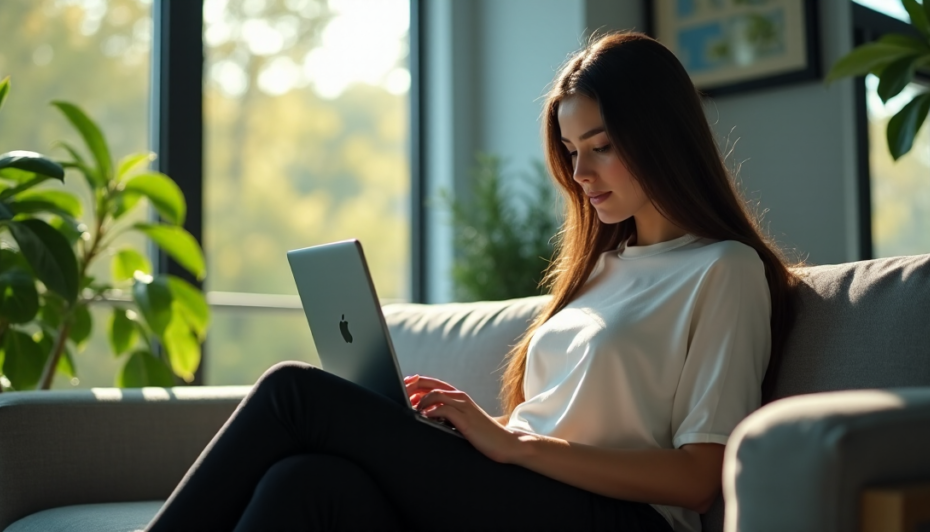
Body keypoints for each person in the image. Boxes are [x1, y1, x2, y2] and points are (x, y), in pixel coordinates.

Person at [146, 30, 797, 532]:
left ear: (660, 136)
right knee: (305, 483)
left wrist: (517, 445)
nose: (580, 172)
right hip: (529, 493)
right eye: (571, 152)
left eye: (600, 146)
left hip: (620, 520)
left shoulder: (725, 270)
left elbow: (698, 480)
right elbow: (559, 422)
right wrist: (483, 433)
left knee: (295, 394)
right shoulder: (601, 269)